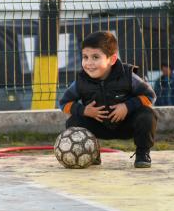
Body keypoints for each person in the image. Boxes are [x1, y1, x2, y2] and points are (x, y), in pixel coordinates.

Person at [59, 31, 157, 168]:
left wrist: (127, 106)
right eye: (85, 57)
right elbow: (63, 103)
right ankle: (91, 153)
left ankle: (142, 153)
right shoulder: (81, 81)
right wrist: (84, 110)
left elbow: (150, 96)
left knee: (147, 115)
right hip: (97, 126)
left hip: (126, 124)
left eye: (95, 57)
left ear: (112, 59)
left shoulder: (127, 76)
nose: (89, 63)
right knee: (73, 121)